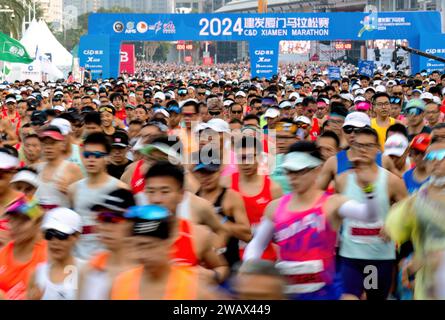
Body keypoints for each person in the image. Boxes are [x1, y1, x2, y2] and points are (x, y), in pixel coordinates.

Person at [244, 141, 380, 300]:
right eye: (289, 171)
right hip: (288, 294)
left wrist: (369, 188)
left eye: (300, 171)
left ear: (317, 170)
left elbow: (370, 216)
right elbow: (257, 244)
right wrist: (249, 268)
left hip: (327, 292)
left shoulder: (332, 204)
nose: (293, 177)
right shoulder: (274, 208)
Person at [335, 127, 408, 300]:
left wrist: (393, 226)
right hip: (350, 255)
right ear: (352, 147)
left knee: (374, 297)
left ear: (377, 148)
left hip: (378, 256)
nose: (363, 150)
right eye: (359, 145)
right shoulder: (342, 179)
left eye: (368, 146)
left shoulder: (391, 181)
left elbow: (408, 208)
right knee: (348, 297)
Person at [110, 205, 219, 300]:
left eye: (149, 246)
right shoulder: (121, 284)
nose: (142, 255)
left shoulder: (193, 288)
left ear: (168, 244)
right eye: (138, 246)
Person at [144, 161, 229, 283]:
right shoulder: (132, 236)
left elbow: (222, 267)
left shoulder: (197, 235)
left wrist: (213, 276)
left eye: (165, 192)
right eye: (151, 191)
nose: (156, 199)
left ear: (181, 194)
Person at [385, 137, 445, 299]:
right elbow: (395, 229)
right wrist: (413, 264)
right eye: (431, 157)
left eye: (442, 155)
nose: (437, 161)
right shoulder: (417, 199)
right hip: (428, 283)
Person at [69, 132, 128, 260]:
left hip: (107, 261)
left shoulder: (120, 188)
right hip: (78, 259)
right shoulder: (73, 189)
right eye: (87, 155)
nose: (91, 159)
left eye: (97, 155)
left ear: (107, 158)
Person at [225, 136, 282, 261]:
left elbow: (281, 229)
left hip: (264, 259)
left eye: (251, 157)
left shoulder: (273, 189)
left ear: (260, 158)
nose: (246, 163)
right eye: (242, 158)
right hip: (233, 258)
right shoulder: (225, 183)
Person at [78, 188, 136, 300]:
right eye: (101, 217)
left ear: (132, 223)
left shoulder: (146, 270)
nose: (104, 227)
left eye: (113, 219)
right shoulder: (88, 270)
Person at [194, 162, 251, 268]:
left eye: (210, 172)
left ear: (219, 171)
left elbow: (247, 235)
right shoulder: (193, 200)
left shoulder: (231, 197)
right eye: (202, 173)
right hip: (202, 267)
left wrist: (218, 220)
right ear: (196, 174)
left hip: (230, 264)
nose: (206, 178)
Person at [27, 208, 84, 300]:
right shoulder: (37, 274)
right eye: (49, 235)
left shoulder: (86, 272)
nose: (54, 242)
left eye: (61, 235)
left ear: (76, 236)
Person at [0, 197, 47, 300]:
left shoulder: (48, 256)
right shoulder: (2, 253)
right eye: (12, 219)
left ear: (38, 223)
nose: (15, 225)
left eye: (23, 220)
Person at [34, 126, 83, 210]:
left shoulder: (72, 169)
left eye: (52, 143)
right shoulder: (36, 169)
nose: (48, 147)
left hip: (63, 221)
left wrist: (69, 192)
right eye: (45, 144)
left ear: (62, 144)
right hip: (39, 221)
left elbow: (83, 203)